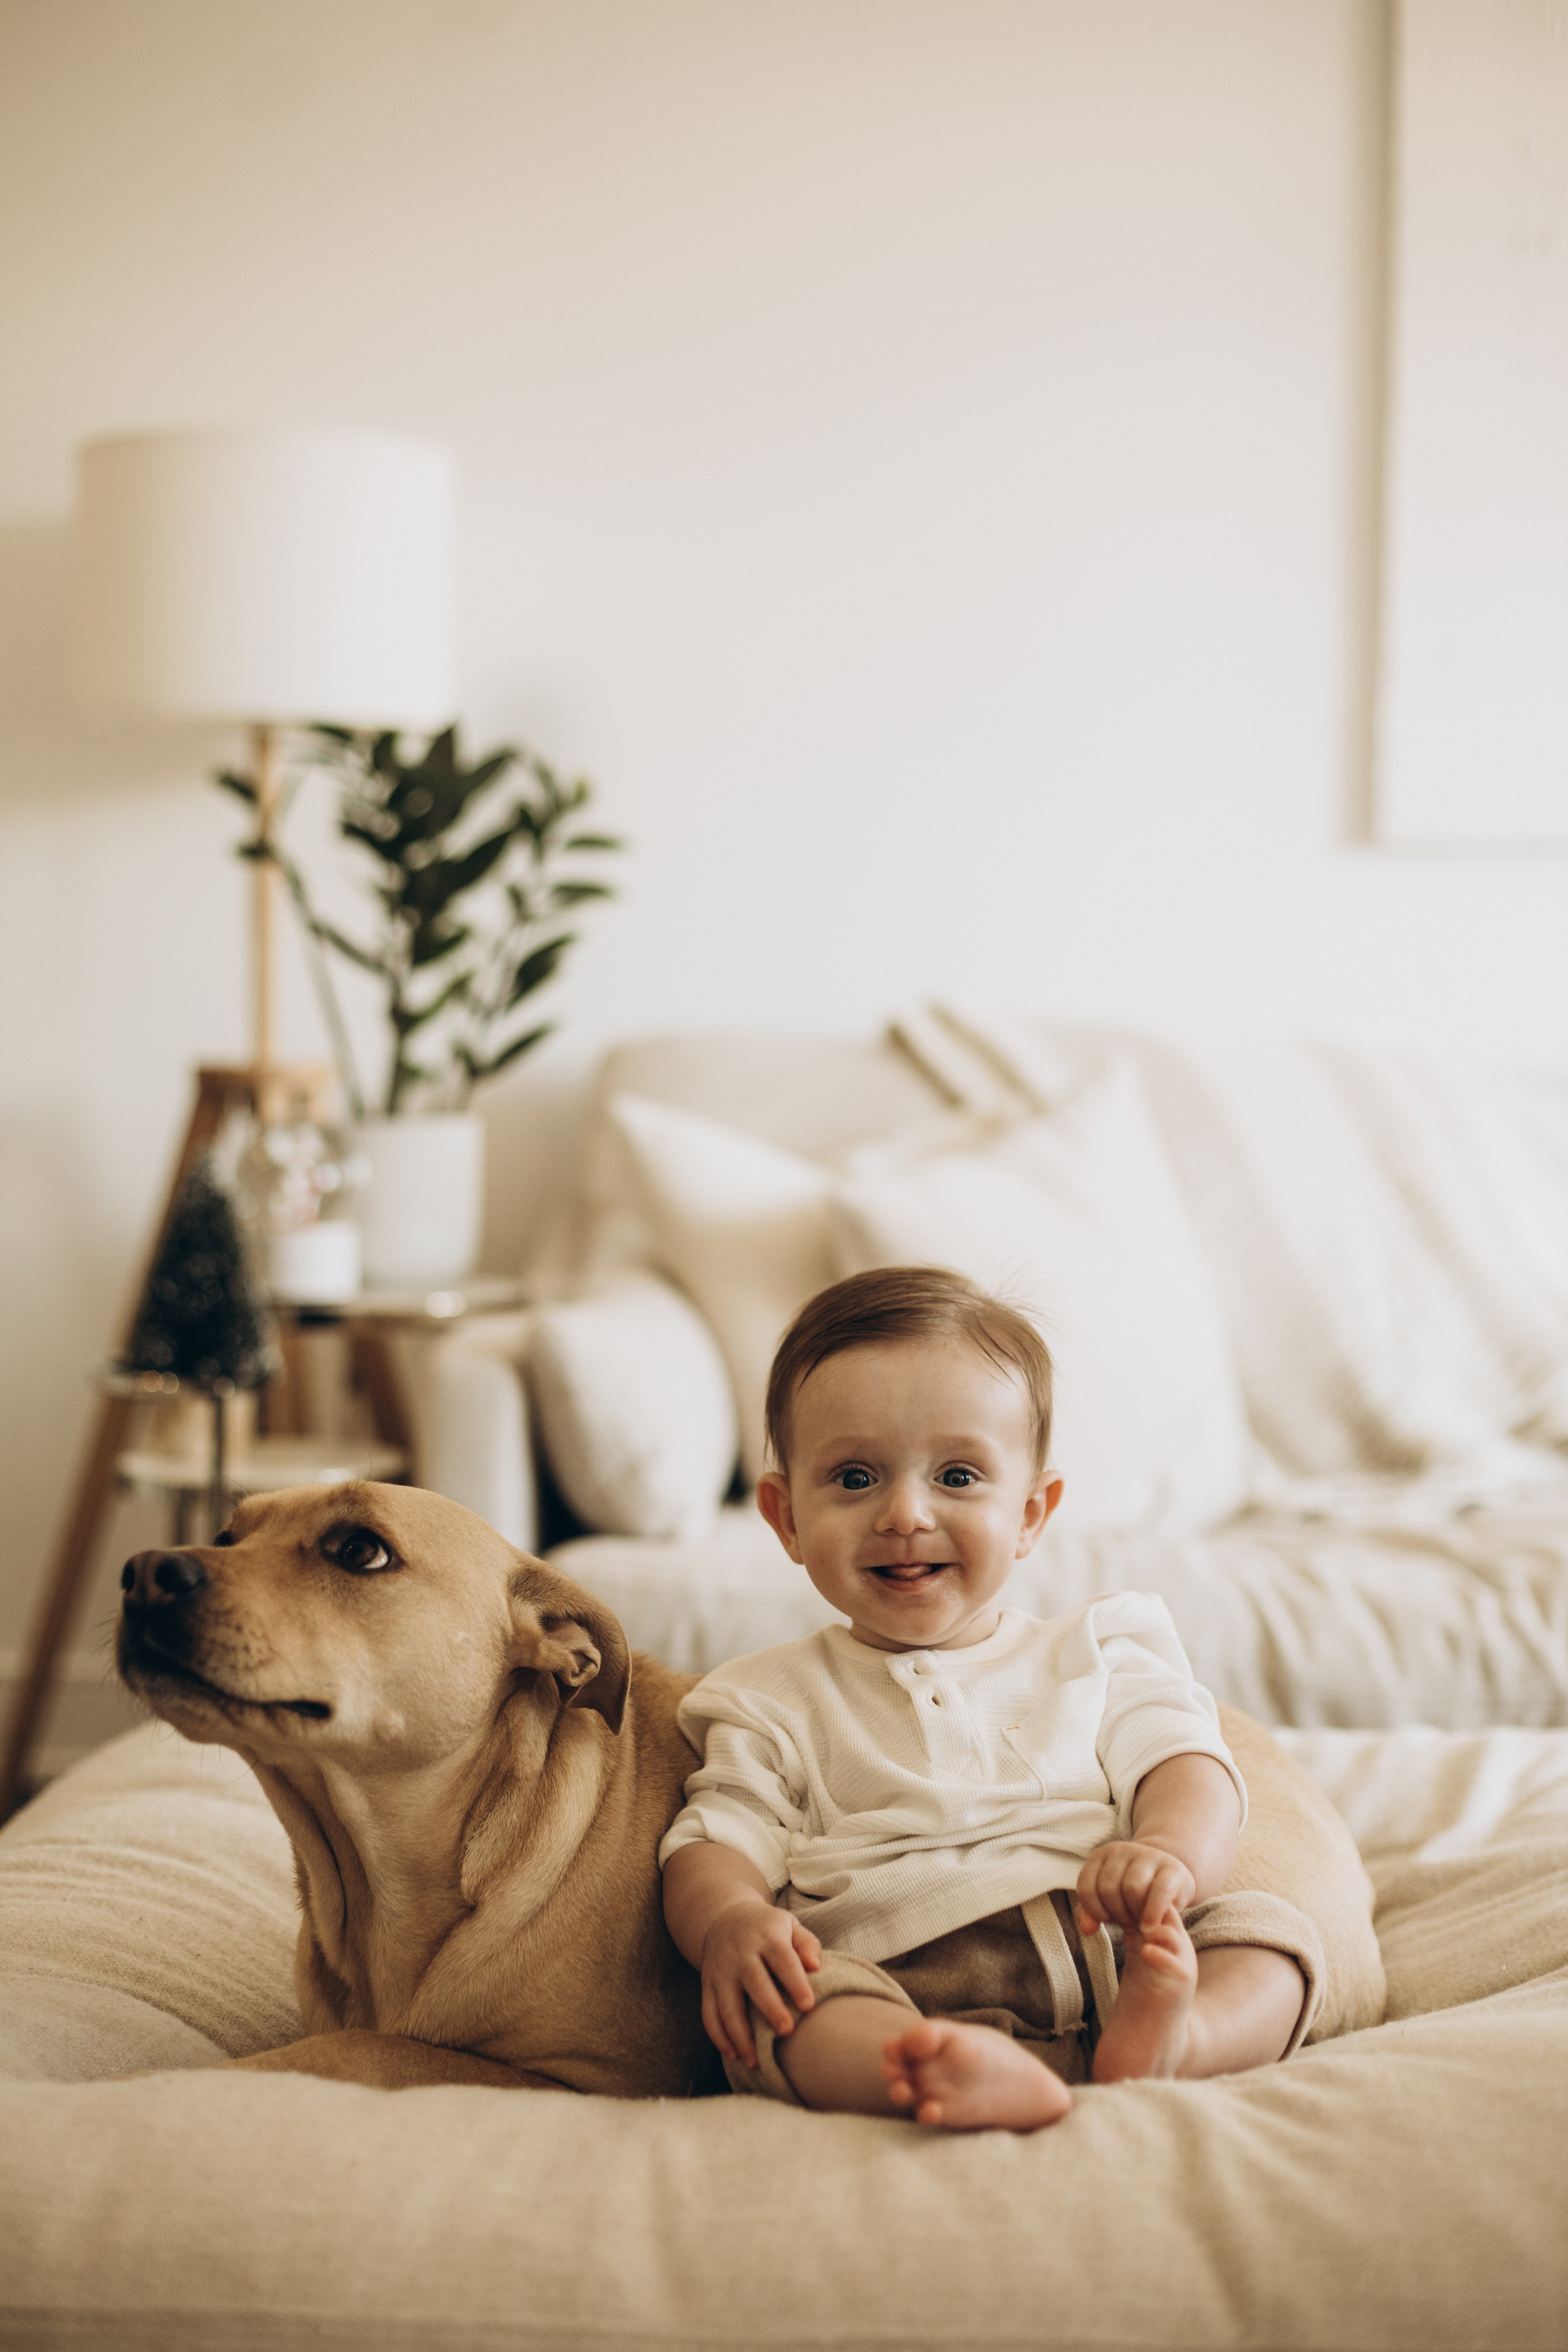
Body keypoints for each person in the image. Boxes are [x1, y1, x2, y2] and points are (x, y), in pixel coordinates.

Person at [660, 1266, 1368, 2132]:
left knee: (1273, 1939)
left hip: (1111, 1949)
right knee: (786, 2013)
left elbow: (1189, 1762)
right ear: (785, 1519)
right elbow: (713, 1838)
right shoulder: (765, 1698)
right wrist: (730, 1919)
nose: (906, 1514)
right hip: (900, 1975)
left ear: (1032, 1513)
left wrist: (1169, 1857)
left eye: (957, 1477)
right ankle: (929, 2070)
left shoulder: (1100, 1649)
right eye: (854, 1479)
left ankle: (1181, 2038)